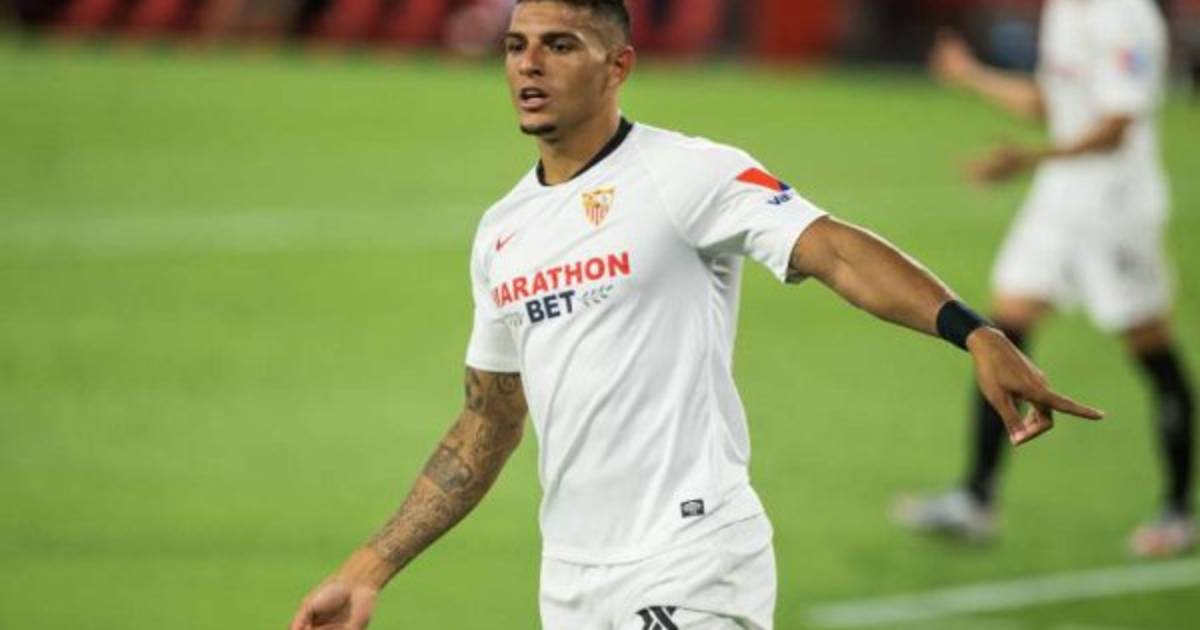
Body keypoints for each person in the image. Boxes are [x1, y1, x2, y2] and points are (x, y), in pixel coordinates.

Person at [288, 2, 1103, 628]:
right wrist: (368, 569)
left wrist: (975, 331)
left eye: (559, 45)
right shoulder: (502, 232)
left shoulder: (686, 174)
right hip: (571, 581)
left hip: (692, 557)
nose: (529, 64)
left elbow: (835, 251)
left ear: (618, 65)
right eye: (515, 45)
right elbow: (487, 421)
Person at [896, 0, 1194, 557]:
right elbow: (1052, 104)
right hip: (1061, 198)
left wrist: (1030, 159)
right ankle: (976, 498)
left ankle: (1178, 511)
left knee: (1149, 346)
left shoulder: (1126, 15)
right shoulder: (1063, 8)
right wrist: (970, 75)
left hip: (1117, 207)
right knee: (999, 329)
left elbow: (1117, 127)